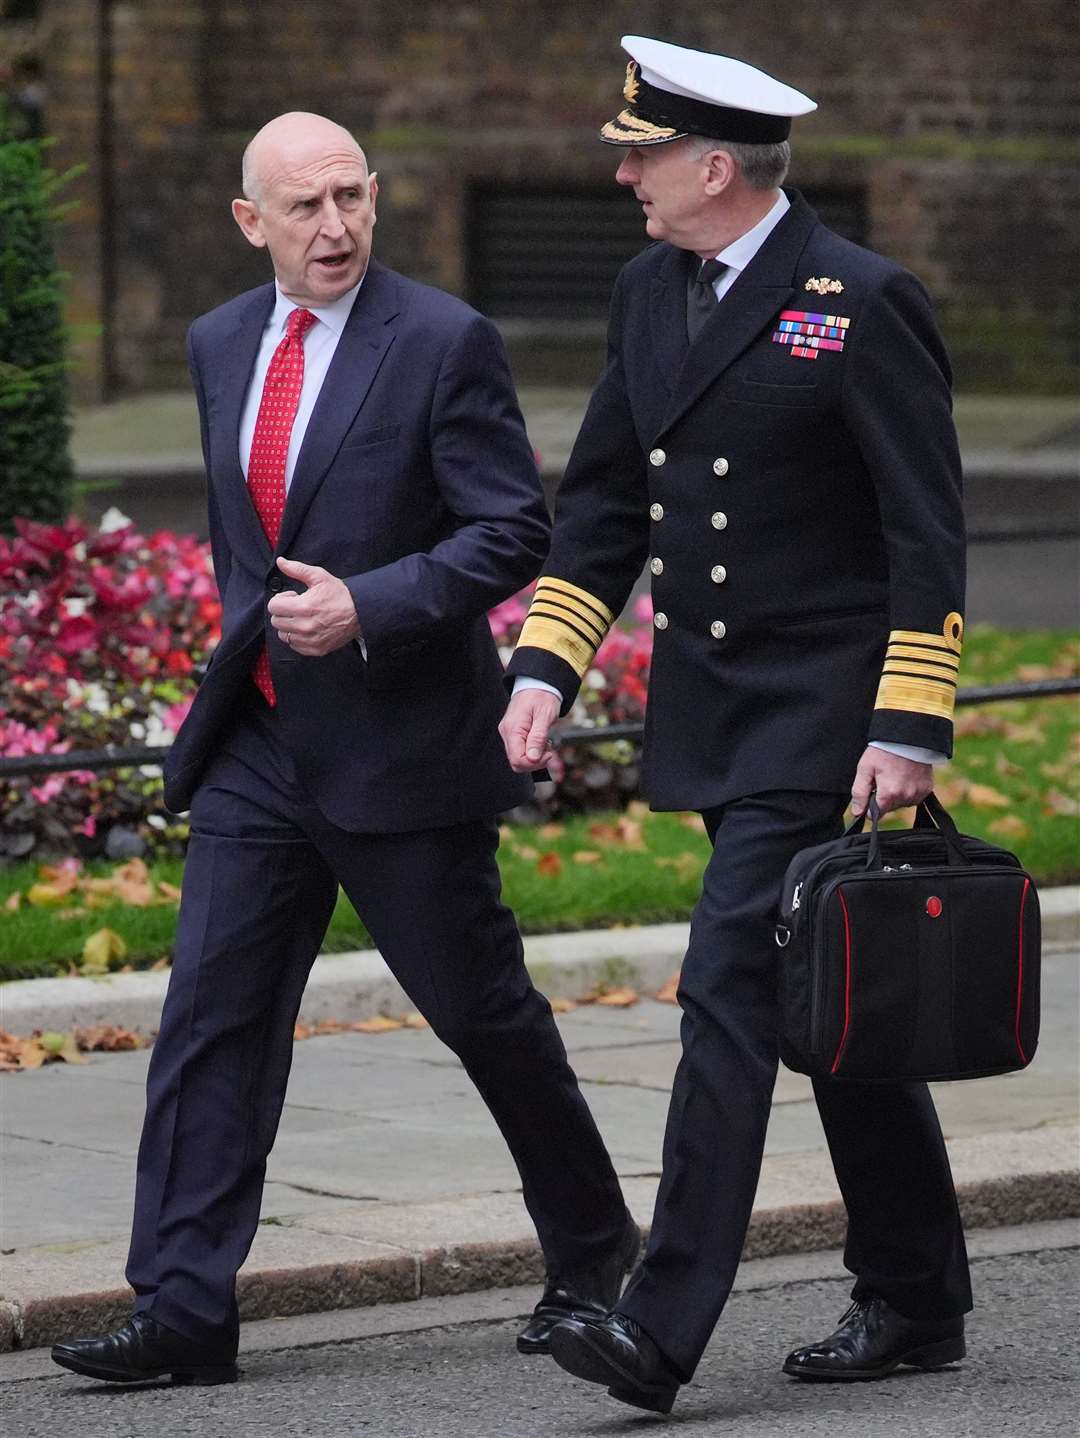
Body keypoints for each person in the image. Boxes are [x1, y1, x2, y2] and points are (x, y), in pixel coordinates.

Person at [52, 111, 637, 1388]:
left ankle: (596, 1253)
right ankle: (183, 1312)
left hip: (401, 748)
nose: (335, 229)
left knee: (484, 1014)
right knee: (210, 1017)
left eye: (352, 200)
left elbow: (509, 530)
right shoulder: (218, 343)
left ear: (374, 199)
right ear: (249, 223)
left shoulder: (439, 341)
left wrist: (370, 603)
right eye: (305, 209)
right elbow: (244, 543)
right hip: (262, 738)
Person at [501, 36, 971, 1416]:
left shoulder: (860, 298)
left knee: (727, 993)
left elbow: (924, 533)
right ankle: (918, 1292)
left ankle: (661, 1320)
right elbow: (601, 506)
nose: (624, 172)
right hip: (719, 708)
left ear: (715, 167)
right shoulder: (651, 287)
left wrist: (913, 725)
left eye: (641, 153)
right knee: (833, 1009)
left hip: (827, 720)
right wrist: (544, 672)